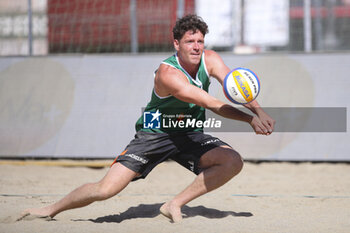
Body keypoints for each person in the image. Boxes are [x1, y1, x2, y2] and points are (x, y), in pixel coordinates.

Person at [20, 14, 275, 223]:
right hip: (154, 134)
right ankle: (50, 209)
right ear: (176, 44)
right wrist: (249, 120)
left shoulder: (210, 59)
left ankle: (173, 204)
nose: (196, 46)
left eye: (200, 41)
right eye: (190, 41)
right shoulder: (168, 74)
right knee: (106, 190)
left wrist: (259, 111)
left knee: (232, 161)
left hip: (187, 133)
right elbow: (211, 102)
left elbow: (237, 86)